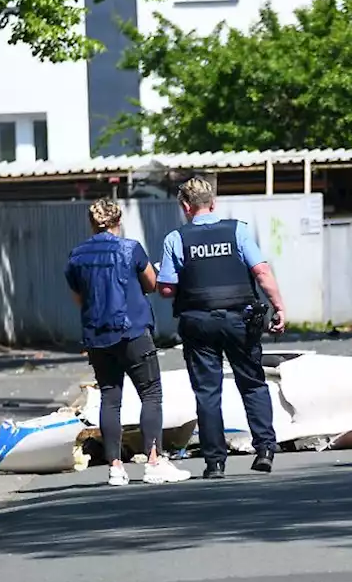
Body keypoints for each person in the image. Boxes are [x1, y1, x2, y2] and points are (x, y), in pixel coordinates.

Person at [157, 177, 288, 480]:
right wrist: (279, 306)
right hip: (240, 319)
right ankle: (265, 449)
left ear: (185, 207)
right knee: (253, 382)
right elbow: (262, 271)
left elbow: (166, 290)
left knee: (207, 392)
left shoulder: (176, 238)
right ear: (213, 203)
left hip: (198, 321)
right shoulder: (237, 230)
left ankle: (215, 462)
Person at [65, 199, 192, 487]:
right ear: (117, 222)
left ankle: (115, 467)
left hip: (97, 336)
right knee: (150, 393)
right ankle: (154, 460)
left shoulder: (77, 256)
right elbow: (152, 284)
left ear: (91, 223)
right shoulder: (130, 248)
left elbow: (79, 298)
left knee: (110, 398)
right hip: (132, 331)